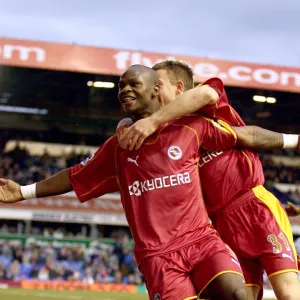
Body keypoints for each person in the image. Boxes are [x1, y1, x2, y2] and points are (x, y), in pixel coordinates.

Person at [0, 65, 253, 300]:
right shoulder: (117, 148)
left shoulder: (189, 128)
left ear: (155, 90)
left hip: (201, 241)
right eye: (121, 86)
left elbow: (243, 134)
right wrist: (23, 191)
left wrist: (291, 142)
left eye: (133, 84)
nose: (125, 90)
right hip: (158, 257)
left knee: (236, 294)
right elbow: (75, 175)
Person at [117, 61, 300, 300]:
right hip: (218, 226)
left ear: (179, 87)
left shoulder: (206, 109)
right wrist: (127, 124)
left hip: (253, 206)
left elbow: (208, 95)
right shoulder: (161, 134)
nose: (153, 91)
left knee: (287, 292)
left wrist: (296, 141)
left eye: (158, 85)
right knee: (241, 295)